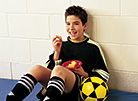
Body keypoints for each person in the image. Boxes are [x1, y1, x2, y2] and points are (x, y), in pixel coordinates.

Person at [6, 5, 109, 101]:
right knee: (37, 68)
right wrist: (57, 52)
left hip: (78, 87)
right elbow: (49, 69)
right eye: (68, 24)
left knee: (59, 69)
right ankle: (12, 98)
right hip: (56, 86)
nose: (71, 28)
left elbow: (104, 75)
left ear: (84, 25)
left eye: (76, 23)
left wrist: (85, 74)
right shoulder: (62, 44)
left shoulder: (93, 47)